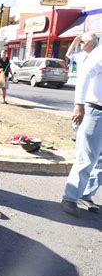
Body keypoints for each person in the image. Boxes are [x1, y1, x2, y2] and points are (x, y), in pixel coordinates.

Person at [61, 38, 101, 217]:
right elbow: (84, 75)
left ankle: (86, 193)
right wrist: (79, 105)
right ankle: (70, 198)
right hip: (95, 111)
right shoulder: (97, 54)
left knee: (99, 161)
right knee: (87, 158)